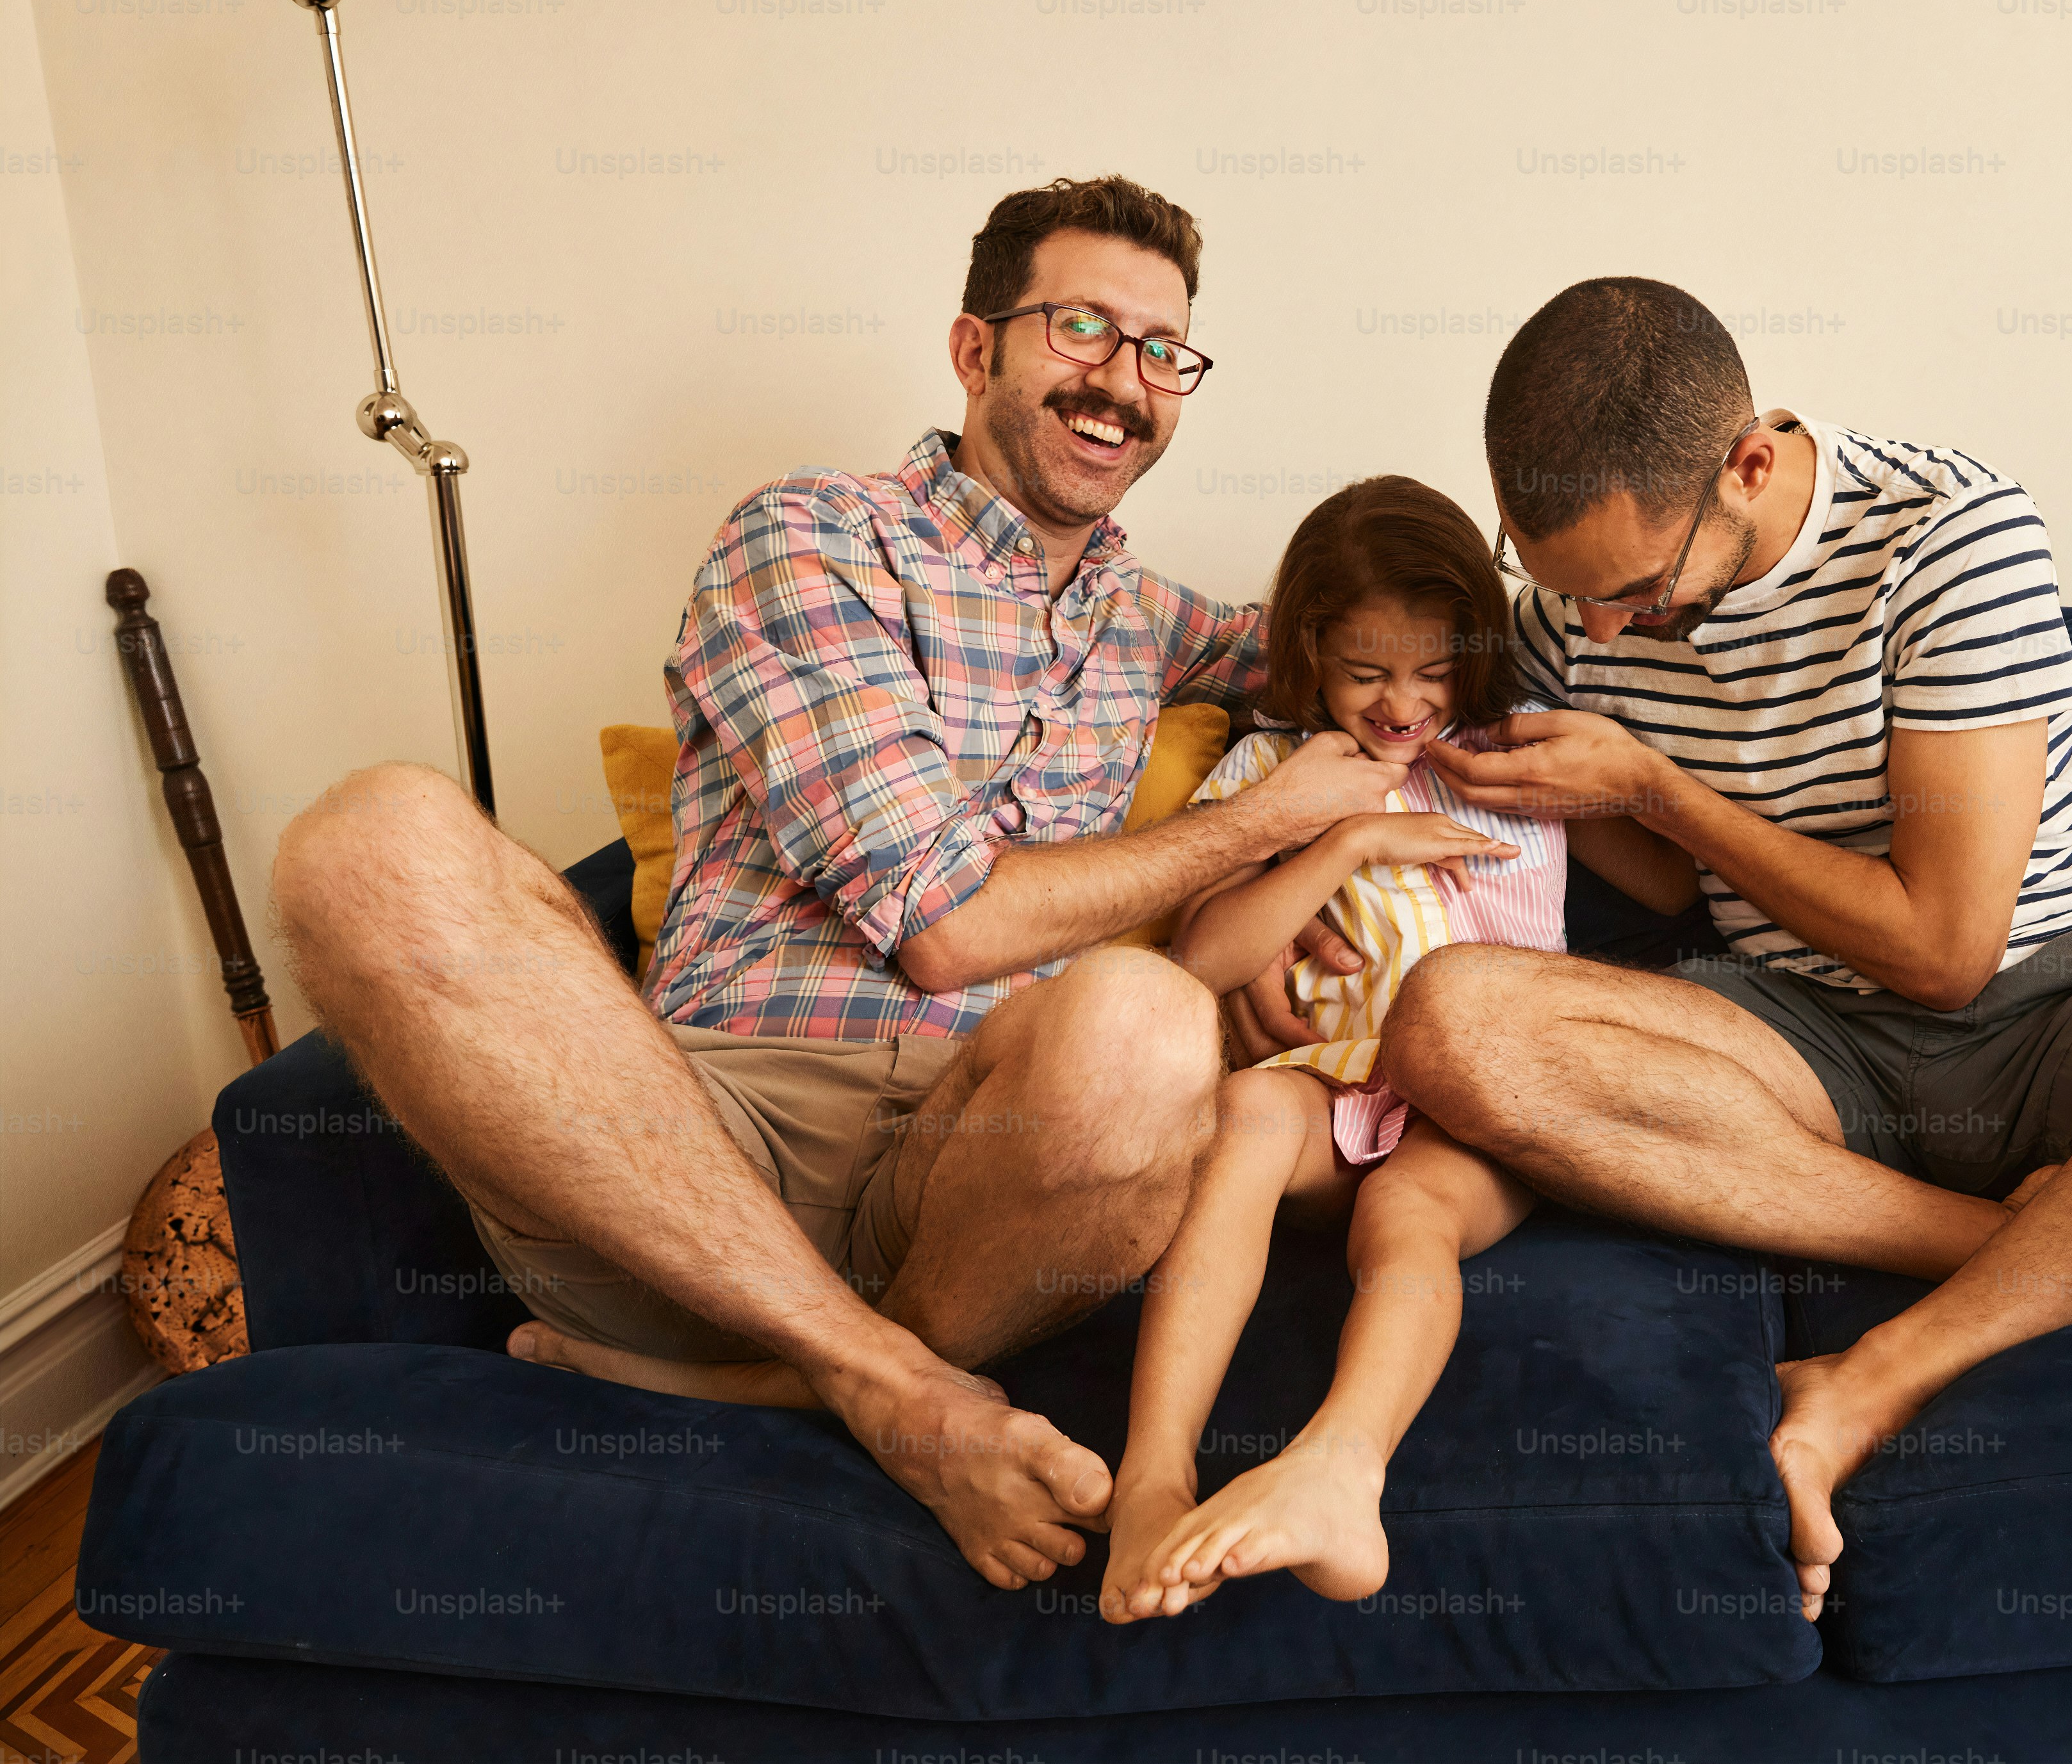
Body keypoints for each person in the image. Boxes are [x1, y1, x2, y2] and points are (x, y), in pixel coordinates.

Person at [268, 177, 1407, 1590]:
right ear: (973, 347)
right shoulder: (812, 536)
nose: (1125, 380)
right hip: (703, 1141)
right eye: (1082, 329)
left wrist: (1586, 645)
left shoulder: (1151, 615)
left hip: (992, 1190)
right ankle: (898, 1391)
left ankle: (821, 1383)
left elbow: (1383, 645)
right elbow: (949, 928)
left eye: (1163, 350)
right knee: (368, 838)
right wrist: (1261, 826)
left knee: (1151, 1022)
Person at [1359, 277, 2072, 1621]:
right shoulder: (1578, 604)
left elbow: (1944, 951)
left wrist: (1655, 785)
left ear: (1748, 460)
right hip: (1796, 1037)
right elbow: (1671, 881)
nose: (1601, 630)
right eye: (1558, 588)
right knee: (1449, 1021)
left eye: (1637, 592)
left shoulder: (1947, 534)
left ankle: (1881, 1370)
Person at [1098, 476, 1669, 1621]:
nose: (1404, 702)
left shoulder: (1508, 769)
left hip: (1480, 1105)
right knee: (1246, 1119)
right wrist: (1346, 833)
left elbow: (1667, 884)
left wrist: (1608, 768)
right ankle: (1149, 1483)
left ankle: (1341, 1468)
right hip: (1323, 1087)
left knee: (1408, 1219)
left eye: (1433, 669)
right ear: (1312, 654)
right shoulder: (1273, 777)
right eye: (1367, 674)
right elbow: (1205, 958)